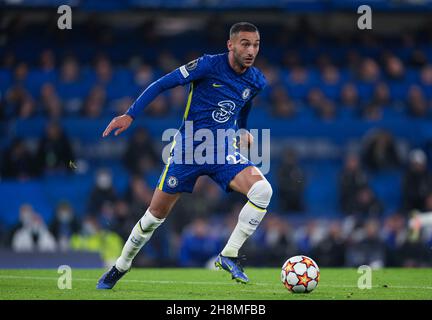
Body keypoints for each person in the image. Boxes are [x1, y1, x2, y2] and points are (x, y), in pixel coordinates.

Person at [97, 22, 272, 289]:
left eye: (256, 45)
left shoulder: (256, 79)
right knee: (153, 217)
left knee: (262, 191)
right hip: (189, 150)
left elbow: (245, 103)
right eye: (245, 44)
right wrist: (130, 114)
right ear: (231, 45)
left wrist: (243, 129)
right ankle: (120, 266)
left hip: (222, 150)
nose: (251, 50)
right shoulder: (207, 65)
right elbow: (161, 84)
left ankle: (229, 255)